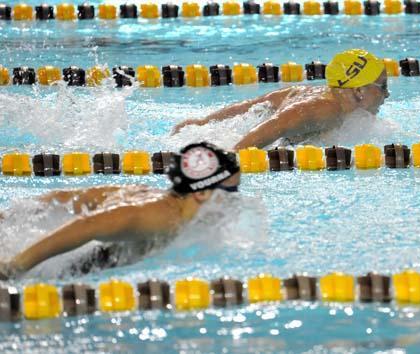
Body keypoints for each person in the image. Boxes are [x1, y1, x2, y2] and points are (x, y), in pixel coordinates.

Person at [0, 142, 240, 280]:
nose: (234, 199)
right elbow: (88, 225)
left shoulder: (149, 194)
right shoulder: (160, 217)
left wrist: (7, 216)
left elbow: (69, 197)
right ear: (201, 192)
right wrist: (16, 266)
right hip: (70, 270)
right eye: (231, 190)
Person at [171, 49, 390, 151]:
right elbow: (279, 123)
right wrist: (232, 156)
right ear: (359, 90)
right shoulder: (327, 109)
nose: (387, 94)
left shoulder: (314, 93)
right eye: (383, 87)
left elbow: (254, 105)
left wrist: (203, 122)